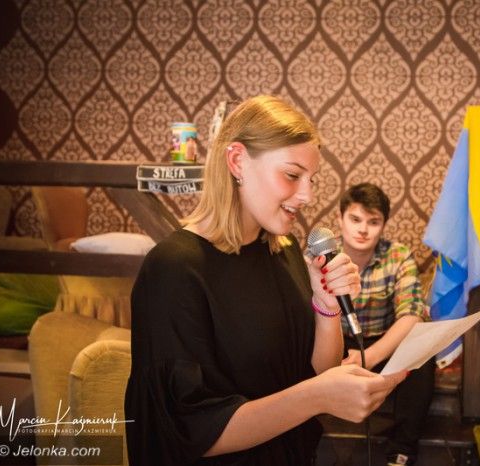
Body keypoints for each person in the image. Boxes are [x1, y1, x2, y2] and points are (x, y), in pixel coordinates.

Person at [124, 96, 406, 465]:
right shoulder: (173, 269)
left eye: (310, 179)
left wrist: (326, 307)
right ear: (237, 161)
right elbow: (187, 433)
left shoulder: (284, 251)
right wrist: (316, 396)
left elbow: (318, 372)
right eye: (292, 175)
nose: (307, 195)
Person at [337, 183, 436, 466]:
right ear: (340, 219)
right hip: (334, 343)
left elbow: (412, 315)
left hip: (382, 343)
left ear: (383, 225)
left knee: (422, 355)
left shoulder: (398, 255)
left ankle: (401, 453)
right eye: (355, 219)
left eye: (373, 222)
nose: (363, 230)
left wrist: (369, 357)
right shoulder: (320, 256)